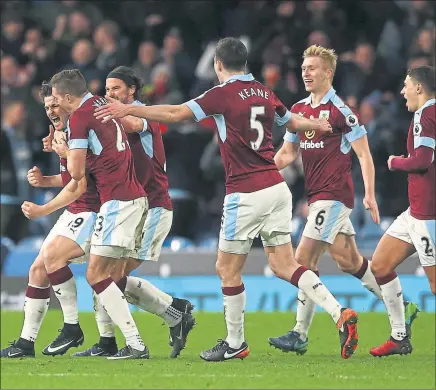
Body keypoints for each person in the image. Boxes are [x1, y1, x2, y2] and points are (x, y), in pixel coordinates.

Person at [95, 37, 360, 361]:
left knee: (226, 268)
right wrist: (316, 124)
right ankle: (339, 313)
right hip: (277, 189)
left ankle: (235, 343)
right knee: (285, 264)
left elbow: (178, 113)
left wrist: (131, 108)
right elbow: (290, 121)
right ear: (245, 63)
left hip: (245, 192)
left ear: (218, 65)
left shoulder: (221, 94)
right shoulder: (264, 91)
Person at [268, 45, 419, 355]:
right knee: (348, 261)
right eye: (304, 67)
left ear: (328, 72)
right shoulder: (298, 110)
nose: (306, 72)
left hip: (333, 197)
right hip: (319, 198)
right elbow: (286, 153)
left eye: (312, 68)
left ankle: (301, 332)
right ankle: (402, 306)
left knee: (302, 262)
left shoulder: (341, 112)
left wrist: (371, 197)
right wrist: (259, 169)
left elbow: (364, 155)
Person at [72, 66, 195, 359]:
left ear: (131, 91)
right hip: (131, 206)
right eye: (107, 89)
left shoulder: (141, 113)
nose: (110, 94)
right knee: (104, 274)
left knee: (107, 276)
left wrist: (99, 112)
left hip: (153, 206)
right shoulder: (111, 116)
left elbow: (132, 125)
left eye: (116, 89)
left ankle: (171, 313)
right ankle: (163, 316)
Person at [50, 69, 149, 360]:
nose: (55, 104)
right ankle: (110, 341)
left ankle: (136, 344)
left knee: (96, 273)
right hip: (133, 197)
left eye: (56, 98)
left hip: (117, 201)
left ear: (68, 97)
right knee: (107, 274)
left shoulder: (80, 117)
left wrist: (63, 151)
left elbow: (77, 173)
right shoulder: (101, 105)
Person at [0, 82, 99, 358]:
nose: (51, 111)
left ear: (67, 102)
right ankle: (25, 343)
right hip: (74, 209)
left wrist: (43, 209)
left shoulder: (80, 129)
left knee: (55, 260)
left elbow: (83, 181)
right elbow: (70, 178)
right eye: (47, 107)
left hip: (92, 209)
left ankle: (72, 327)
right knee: (37, 271)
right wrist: (45, 181)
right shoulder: (59, 131)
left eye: (55, 104)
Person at [370, 65, 435, 357]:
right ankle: (399, 337)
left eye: (406, 85)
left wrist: (396, 161)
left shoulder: (425, 114)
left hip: (428, 216)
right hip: (414, 213)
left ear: (419, 88)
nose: (402, 91)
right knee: (380, 265)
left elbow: (422, 160)